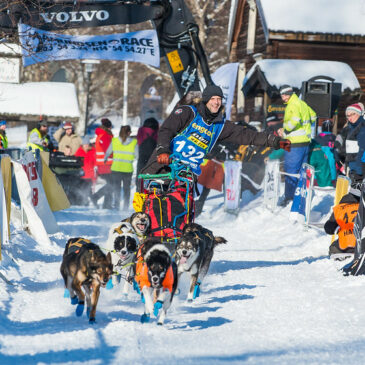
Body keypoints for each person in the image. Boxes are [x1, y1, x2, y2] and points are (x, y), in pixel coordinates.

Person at [141, 85, 290, 178]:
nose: (216, 102)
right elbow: (167, 130)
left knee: (177, 217)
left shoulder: (220, 126)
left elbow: (247, 135)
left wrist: (275, 141)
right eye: (213, 98)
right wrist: (163, 151)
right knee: (147, 215)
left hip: (185, 176)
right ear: (205, 100)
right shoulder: (188, 112)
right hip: (163, 166)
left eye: (219, 99)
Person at [277, 85, 317, 206]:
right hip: (305, 141)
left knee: (290, 170)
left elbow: (294, 121)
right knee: (301, 171)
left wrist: (284, 130)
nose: (282, 97)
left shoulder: (292, 104)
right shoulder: (302, 103)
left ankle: (289, 198)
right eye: (281, 95)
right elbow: (314, 115)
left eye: (284, 95)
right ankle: (300, 197)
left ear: (289, 93)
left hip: (293, 142)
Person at [324, 183, 361, 259]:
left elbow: (328, 228)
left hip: (342, 247)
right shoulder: (362, 207)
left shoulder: (340, 208)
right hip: (361, 246)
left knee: (333, 247)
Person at [104, 125, 137, 210]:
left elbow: (108, 152)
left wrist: (105, 159)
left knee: (117, 188)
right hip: (128, 169)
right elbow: (137, 156)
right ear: (129, 132)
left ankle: (117, 205)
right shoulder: (134, 142)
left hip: (116, 169)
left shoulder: (114, 141)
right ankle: (125, 207)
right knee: (127, 189)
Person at [334, 103, 365, 183]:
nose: (350, 117)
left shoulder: (362, 127)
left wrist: (360, 169)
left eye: (352, 114)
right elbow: (340, 143)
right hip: (350, 167)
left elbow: (362, 149)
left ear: (359, 113)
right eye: (348, 115)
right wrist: (338, 155)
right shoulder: (348, 128)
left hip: (359, 168)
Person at [91, 118, 114, 209]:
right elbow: (108, 150)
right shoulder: (105, 135)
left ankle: (107, 204)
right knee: (111, 184)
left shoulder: (101, 134)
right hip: (106, 164)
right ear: (108, 127)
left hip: (103, 163)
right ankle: (96, 197)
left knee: (111, 183)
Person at [136, 117, 159, 184]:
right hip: (152, 161)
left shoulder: (141, 132)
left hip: (141, 160)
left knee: (140, 182)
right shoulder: (155, 134)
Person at [75, 136, 96, 205]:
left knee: (89, 191)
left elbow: (95, 163)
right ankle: (80, 202)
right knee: (81, 191)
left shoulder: (93, 151)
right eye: (85, 144)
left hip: (90, 175)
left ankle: (90, 203)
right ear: (82, 145)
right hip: (81, 176)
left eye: (87, 144)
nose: (86, 146)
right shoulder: (79, 152)